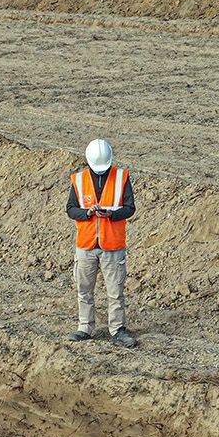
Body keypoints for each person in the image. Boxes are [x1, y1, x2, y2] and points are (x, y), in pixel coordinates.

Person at [68, 137, 138, 348]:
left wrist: (111, 214)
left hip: (112, 246)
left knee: (115, 291)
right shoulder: (78, 180)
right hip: (86, 245)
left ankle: (118, 330)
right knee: (84, 289)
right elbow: (71, 209)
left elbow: (130, 208)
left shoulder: (121, 177)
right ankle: (84, 328)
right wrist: (87, 213)